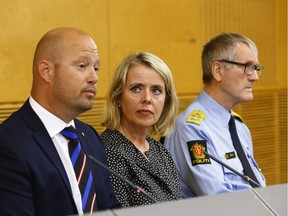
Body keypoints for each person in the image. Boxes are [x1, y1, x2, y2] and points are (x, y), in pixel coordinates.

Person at [0, 27, 121, 215]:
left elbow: (111, 208)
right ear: (46, 71)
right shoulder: (9, 144)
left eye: (96, 68)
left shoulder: (89, 136)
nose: (94, 78)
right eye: (82, 66)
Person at [164, 32, 266, 197]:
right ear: (218, 71)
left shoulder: (239, 127)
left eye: (256, 68)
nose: (254, 77)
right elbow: (218, 200)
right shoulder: (191, 128)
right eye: (247, 67)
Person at [100, 51, 182, 207]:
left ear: (166, 101)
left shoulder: (160, 150)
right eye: (136, 89)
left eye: (156, 90)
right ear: (118, 97)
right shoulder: (107, 152)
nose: (147, 99)